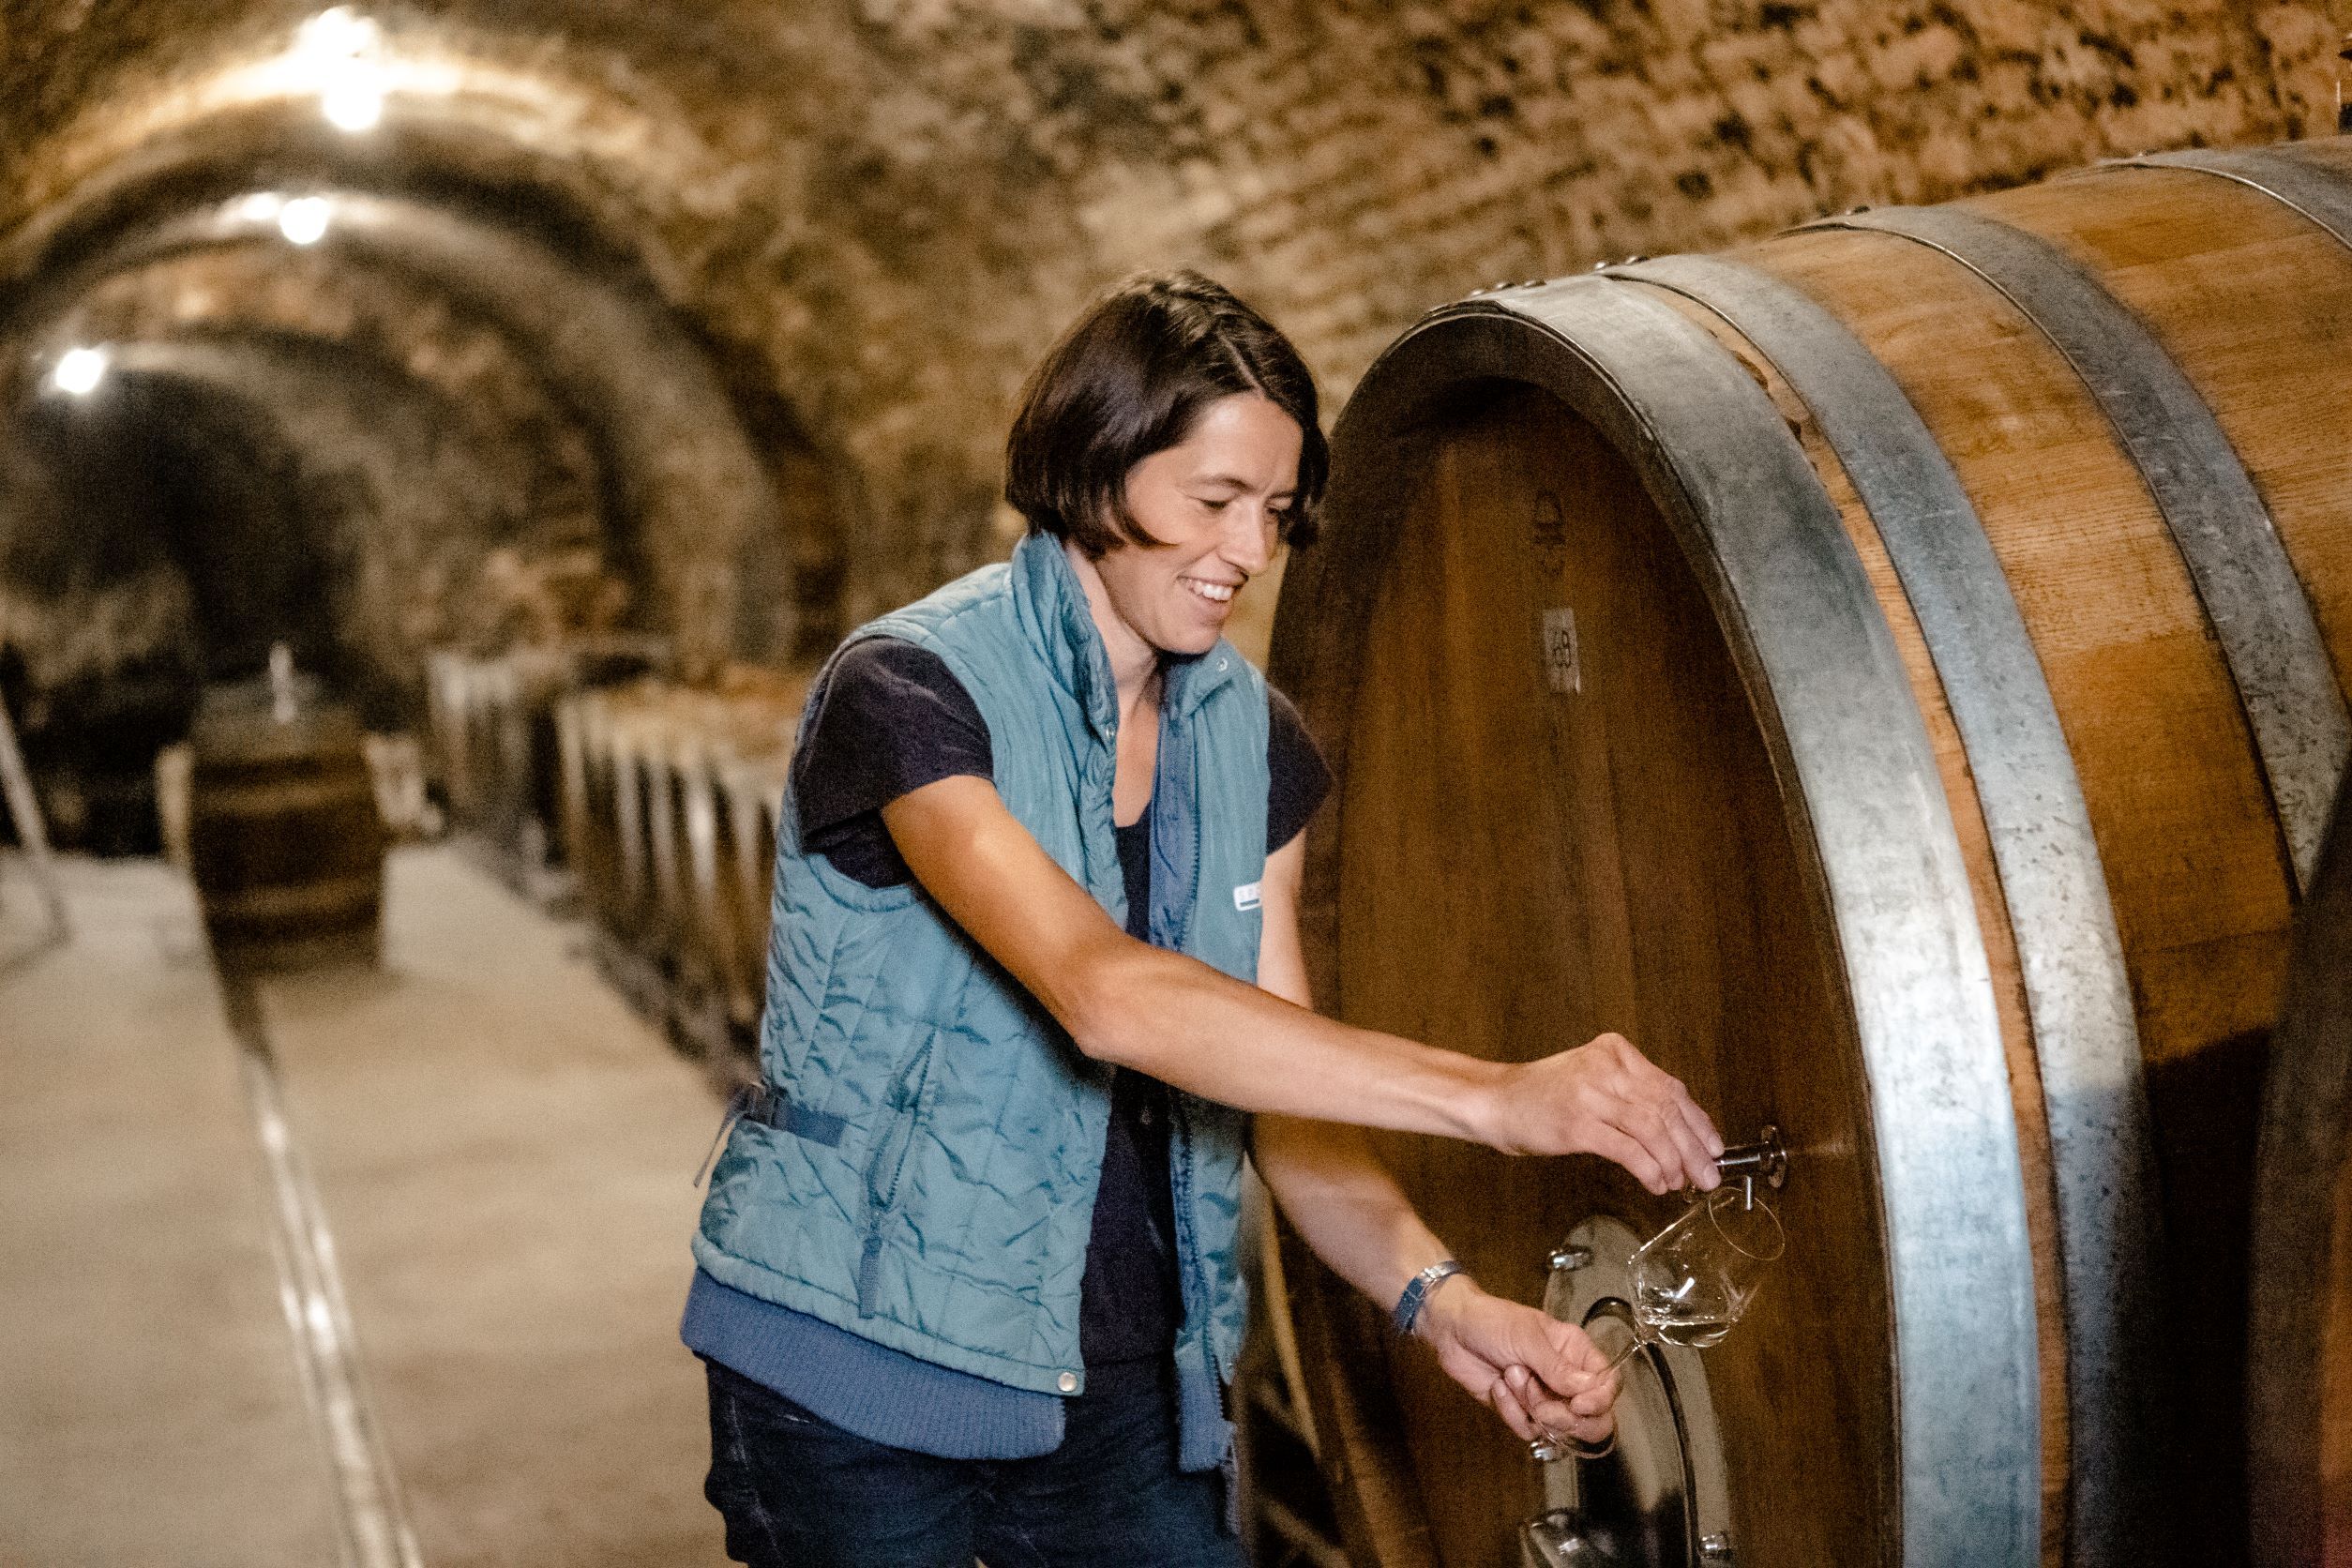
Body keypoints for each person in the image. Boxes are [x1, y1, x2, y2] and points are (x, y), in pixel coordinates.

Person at [686, 270, 1724, 1568]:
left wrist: (1441, 1302)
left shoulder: (1257, 743)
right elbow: (1104, 994)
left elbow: (1283, 1094)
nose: (1247, 550)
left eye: (1277, 514)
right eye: (1213, 499)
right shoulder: (912, 690)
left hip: (1126, 1388)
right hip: (861, 1375)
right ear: (1096, 470)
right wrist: (1499, 1097)